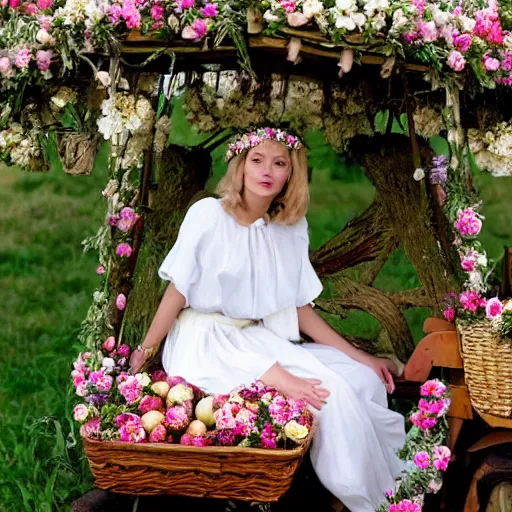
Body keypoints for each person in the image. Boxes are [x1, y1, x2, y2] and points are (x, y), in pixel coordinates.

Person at [129, 127, 406, 512]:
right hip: (205, 341)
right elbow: (177, 292)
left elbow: (296, 308)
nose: (267, 171)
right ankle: (364, 497)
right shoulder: (208, 215)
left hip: (252, 337)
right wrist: (145, 349)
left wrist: (361, 356)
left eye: (280, 163)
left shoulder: (288, 229)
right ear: (240, 167)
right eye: (257, 160)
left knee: (359, 380)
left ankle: (391, 490)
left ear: (291, 174)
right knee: (329, 395)